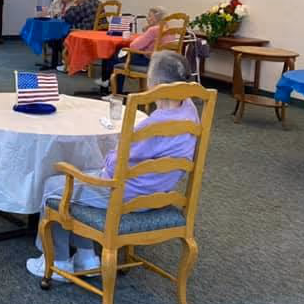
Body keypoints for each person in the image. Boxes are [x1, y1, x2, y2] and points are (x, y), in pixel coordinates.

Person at [27, 51, 199, 279]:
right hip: (160, 190)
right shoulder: (189, 109)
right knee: (81, 179)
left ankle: (57, 262)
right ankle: (87, 257)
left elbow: (114, 166)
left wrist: (105, 162)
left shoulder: (153, 126)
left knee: (53, 186)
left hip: (128, 194)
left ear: (154, 83)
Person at [97, 6, 168, 93]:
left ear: (157, 18)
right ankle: (107, 84)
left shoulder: (153, 30)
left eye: (150, 16)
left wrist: (147, 30)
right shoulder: (168, 29)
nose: (147, 18)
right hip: (160, 61)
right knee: (117, 53)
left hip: (147, 60)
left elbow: (133, 46)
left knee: (111, 56)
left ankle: (112, 90)